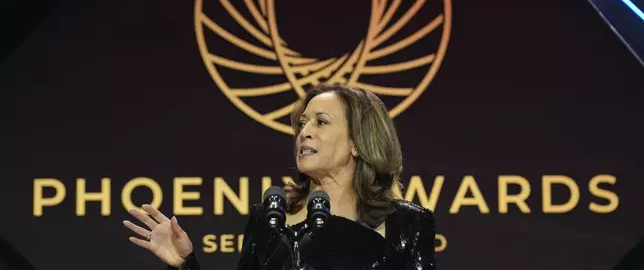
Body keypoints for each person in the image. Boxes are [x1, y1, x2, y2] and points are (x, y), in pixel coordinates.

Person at [124, 84, 437, 269]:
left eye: (321, 122)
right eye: (302, 124)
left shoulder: (405, 223)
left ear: (357, 143)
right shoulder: (271, 218)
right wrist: (185, 264)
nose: (305, 133)